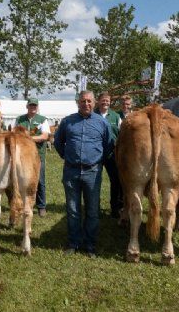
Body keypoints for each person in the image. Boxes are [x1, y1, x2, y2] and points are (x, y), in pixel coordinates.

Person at [54, 90, 114, 258]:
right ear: (78, 103)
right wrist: (67, 156)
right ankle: (74, 243)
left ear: (94, 103)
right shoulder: (68, 122)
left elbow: (109, 145)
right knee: (73, 210)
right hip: (71, 171)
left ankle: (90, 244)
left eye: (89, 101)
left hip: (92, 172)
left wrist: (97, 160)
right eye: (83, 101)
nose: (86, 104)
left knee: (92, 211)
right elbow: (58, 142)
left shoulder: (102, 123)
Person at [14, 98, 50, 217]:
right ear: (27, 106)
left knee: (40, 180)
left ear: (37, 107)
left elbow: (44, 136)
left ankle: (41, 206)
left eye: (35, 105)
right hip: (21, 155)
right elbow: (14, 135)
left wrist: (27, 138)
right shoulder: (19, 119)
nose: (32, 107)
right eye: (31, 105)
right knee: (19, 180)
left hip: (37, 155)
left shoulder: (43, 120)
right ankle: (21, 204)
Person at [94, 92, 123, 218]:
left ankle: (114, 208)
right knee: (94, 181)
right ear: (98, 101)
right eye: (103, 100)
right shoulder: (92, 115)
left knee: (115, 181)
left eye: (108, 101)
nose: (105, 102)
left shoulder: (116, 117)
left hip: (112, 154)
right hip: (95, 154)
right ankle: (95, 207)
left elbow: (122, 134)